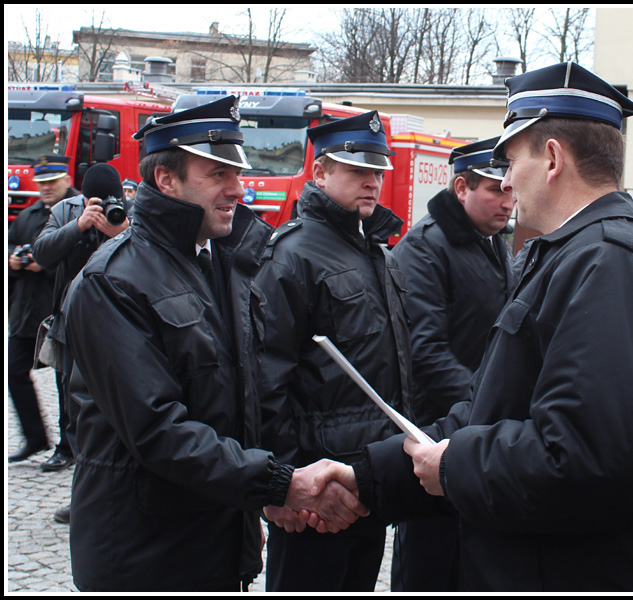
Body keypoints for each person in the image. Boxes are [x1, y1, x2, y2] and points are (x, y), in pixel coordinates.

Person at [310, 62, 633, 591]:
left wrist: (456, 465)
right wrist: (366, 476)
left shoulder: (615, 269)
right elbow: (489, 410)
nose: (506, 180)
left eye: (510, 161)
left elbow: (582, 459)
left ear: (552, 158)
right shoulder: (576, 257)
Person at [59, 96, 367, 592]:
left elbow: (239, 403)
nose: (237, 189)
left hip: (216, 540)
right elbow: (158, 429)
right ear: (167, 180)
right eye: (218, 174)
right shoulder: (111, 283)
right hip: (144, 555)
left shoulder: (224, 265)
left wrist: (259, 500)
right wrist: (281, 483)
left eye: (236, 172)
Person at [255, 110, 413, 592]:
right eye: (357, 170)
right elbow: (266, 376)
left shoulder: (376, 251)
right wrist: (283, 485)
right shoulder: (292, 254)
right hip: (314, 488)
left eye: (377, 171)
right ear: (320, 173)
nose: (372, 182)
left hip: (366, 476)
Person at [389, 137, 516, 591]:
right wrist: (486, 405)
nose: (508, 201)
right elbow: (425, 352)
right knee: (430, 565)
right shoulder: (425, 247)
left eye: (509, 189)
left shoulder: (492, 242)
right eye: (495, 190)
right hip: (437, 433)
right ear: (461, 188)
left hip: (476, 431)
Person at [31, 163, 134, 523]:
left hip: (122, 330)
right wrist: (78, 227)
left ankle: (122, 495)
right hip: (72, 328)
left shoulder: (130, 212)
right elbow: (41, 253)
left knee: (119, 415)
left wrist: (122, 231)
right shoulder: (65, 212)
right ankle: (84, 498)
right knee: (75, 417)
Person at [7, 156, 77, 464]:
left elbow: (85, 260)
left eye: (52, 182)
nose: (46, 188)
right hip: (26, 314)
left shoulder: (78, 211)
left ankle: (67, 447)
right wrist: (13, 260)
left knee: (66, 384)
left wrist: (46, 265)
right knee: (14, 373)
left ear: (67, 179)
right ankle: (35, 438)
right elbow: (12, 244)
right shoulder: (30, 213)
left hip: (59, 312)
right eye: (41, 184)